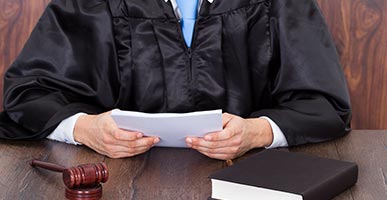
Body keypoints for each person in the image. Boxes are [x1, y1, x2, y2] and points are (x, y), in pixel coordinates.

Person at [0, 0, 351, 160]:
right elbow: (29, 94)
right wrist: (84, 128)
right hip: (115, 180)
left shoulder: (275, 3)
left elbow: (323, 103)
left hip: (249, 180)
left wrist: (258, 132)